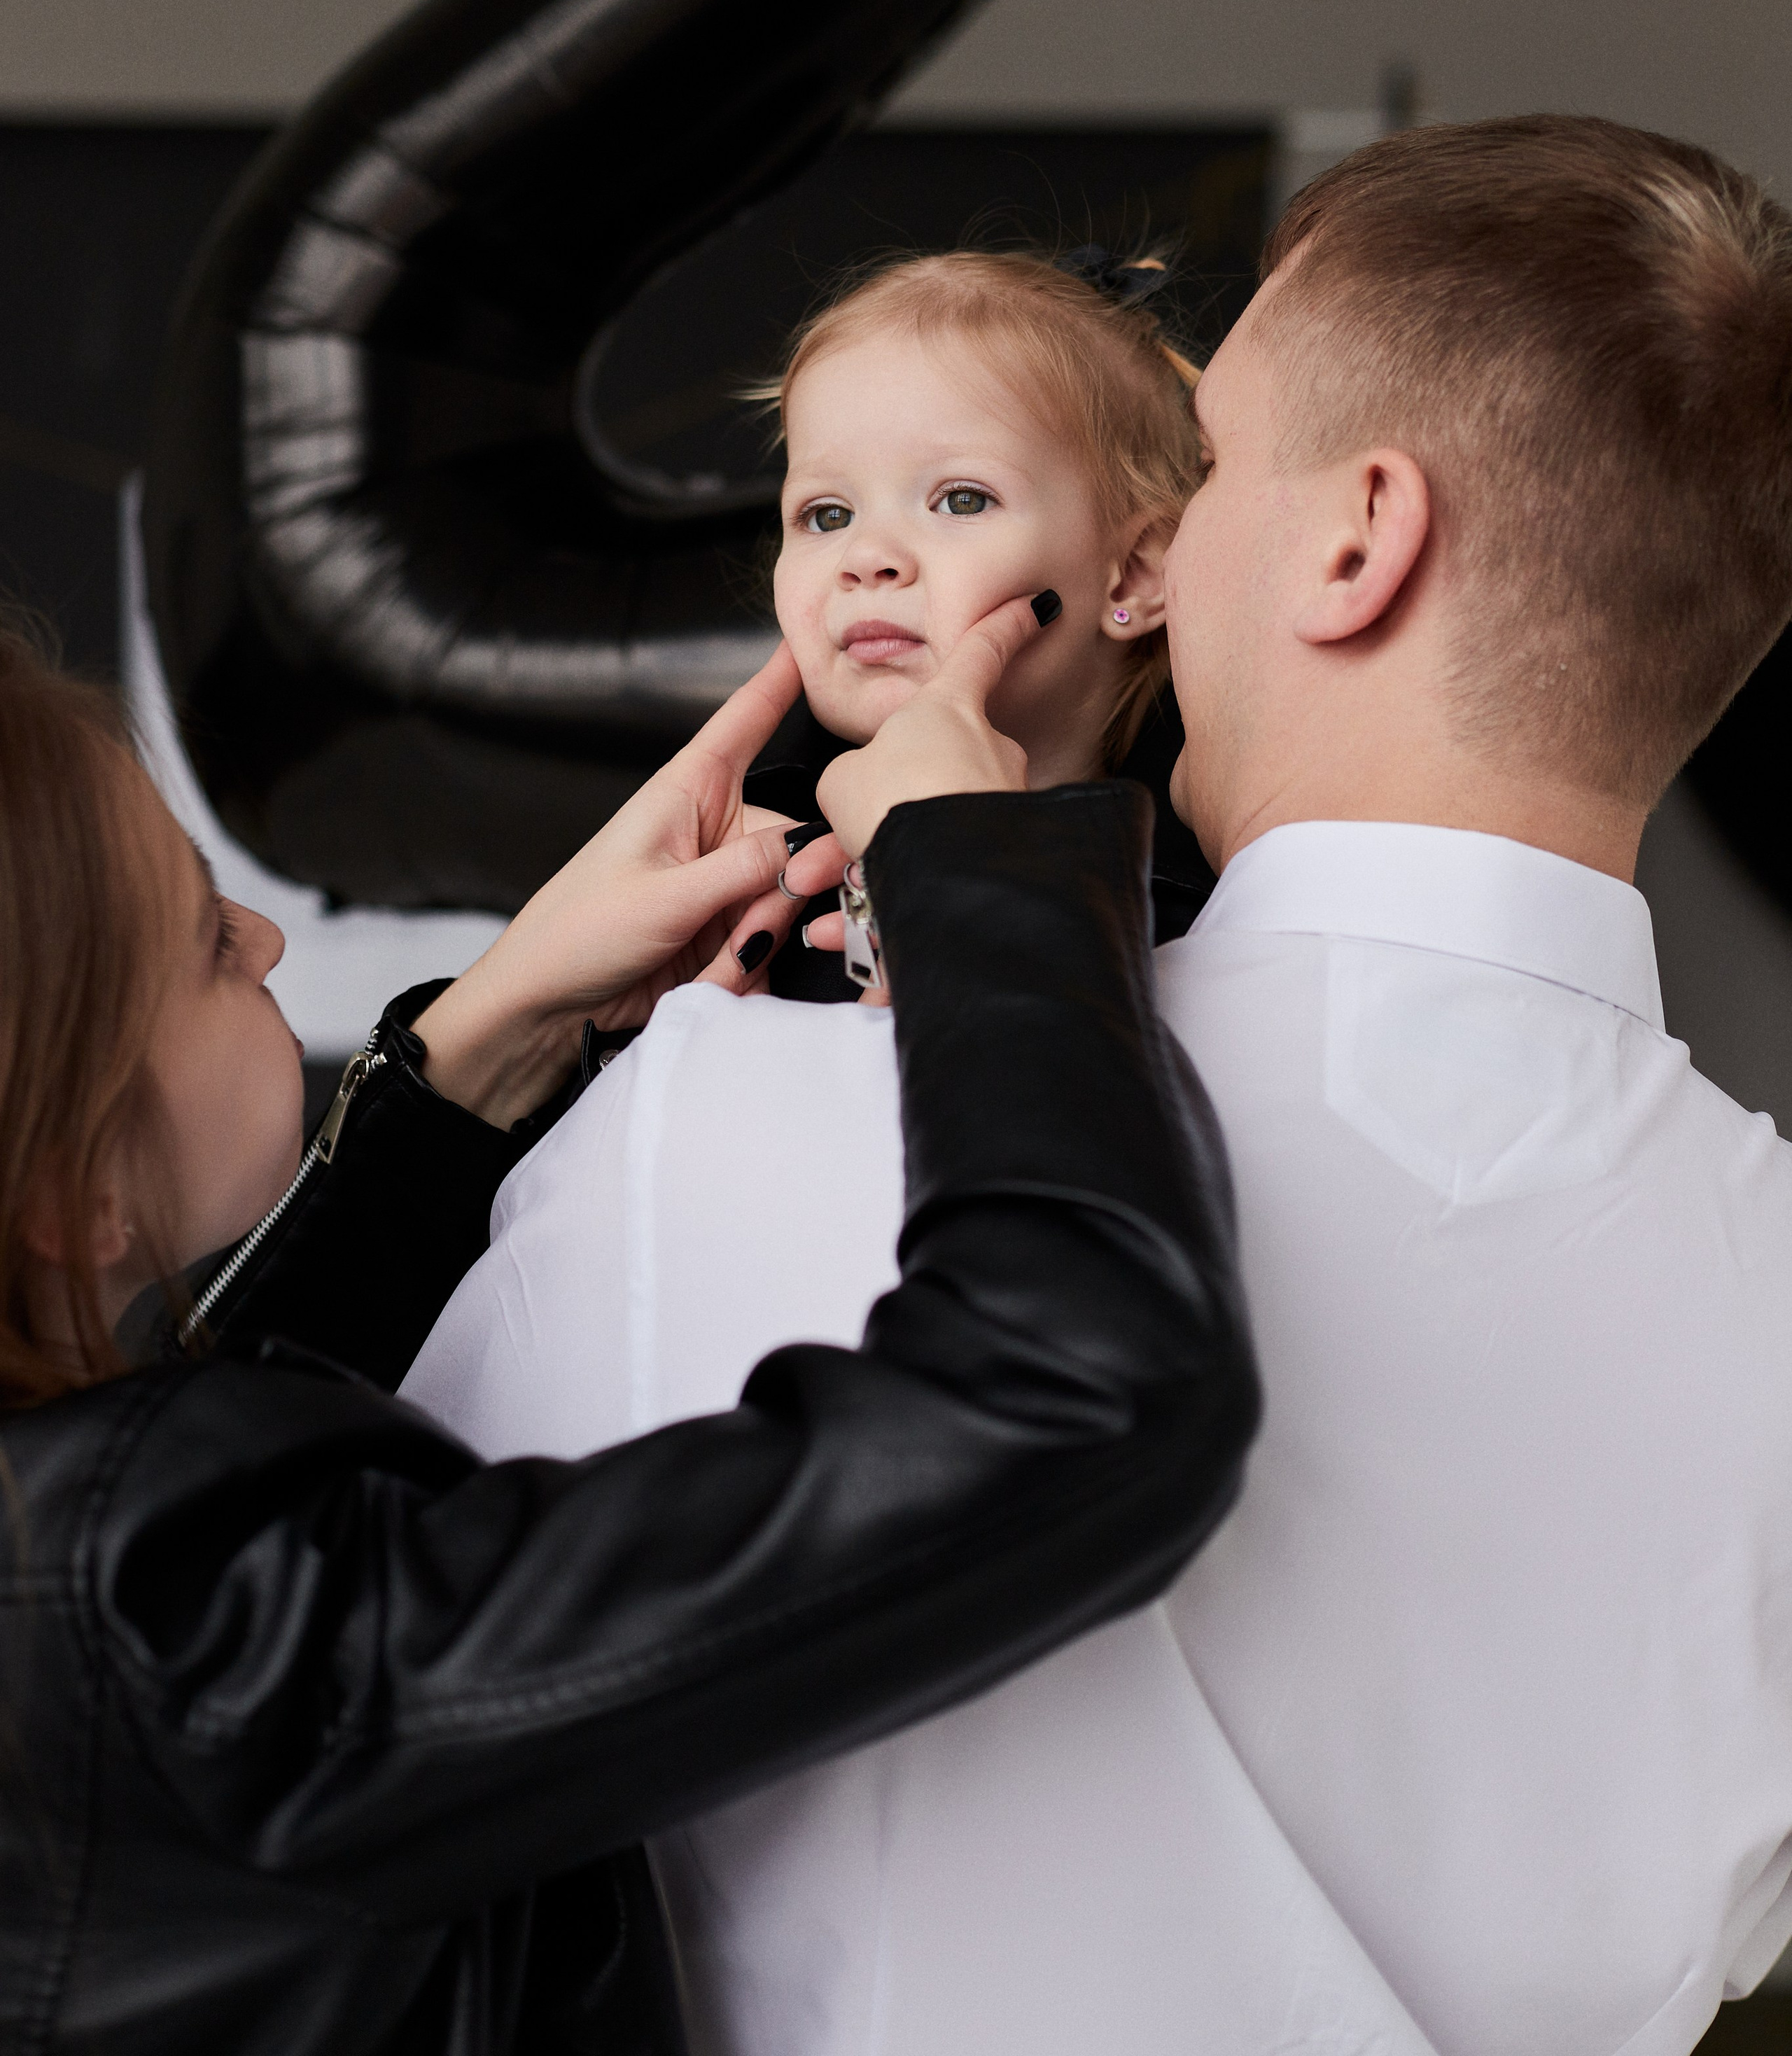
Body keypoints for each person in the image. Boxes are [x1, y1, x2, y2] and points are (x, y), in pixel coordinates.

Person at [409, 114, 1792, 2056]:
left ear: (1356, 538)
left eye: (1205, 463)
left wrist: (476, 1052)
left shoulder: (737, 1121)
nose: (1159, 535)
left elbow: (265, 1697)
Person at [0, 607, 1259, 2056]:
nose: (269, 933)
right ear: (77, 1187)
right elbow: (1071, 1394)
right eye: (209, 941)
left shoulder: (107, 1597)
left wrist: (497, 1032)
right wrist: (979, 867)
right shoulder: (177, 1642)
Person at [733, 241, 1218, 1007]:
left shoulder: (1192, 928)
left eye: (960, 500)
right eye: (826, 514)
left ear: (1133, 573)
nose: (866, 557)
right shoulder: (734, 864)